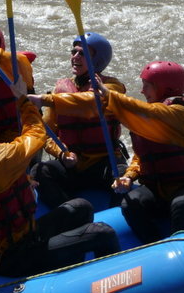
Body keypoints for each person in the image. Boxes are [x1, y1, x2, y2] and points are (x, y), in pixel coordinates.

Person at [0, 79, 120, 277]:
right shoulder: (2, 159)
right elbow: (37, 134)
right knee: (102, 233)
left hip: (18, 238)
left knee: (81, 207)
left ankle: (67, 268)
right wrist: (23, 101)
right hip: (12, 257)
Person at [47, 61, 184, 243]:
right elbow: (142, 155)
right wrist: (130, 176)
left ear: (165, 88)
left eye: (147, 86)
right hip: (157, 188)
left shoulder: (179, 113)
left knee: (180, 204)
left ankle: (183, 247)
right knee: (130, 204)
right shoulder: (151, 115)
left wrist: (109, 95)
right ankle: (154, 243)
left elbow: (146, 111)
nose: (142, 91)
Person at [28, 32, 128, 209]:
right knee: (41, 171)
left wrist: (44, 99)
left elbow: (91, 103)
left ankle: (120, 220)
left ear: (98, 60)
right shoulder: (59, 89)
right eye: (73, 51)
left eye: (83, 53)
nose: (75, 56)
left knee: (123, 177)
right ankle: (69, 213)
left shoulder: (112, 87)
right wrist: (62, 153)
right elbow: (46, 131)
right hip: (73, 165)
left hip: (104, 162)